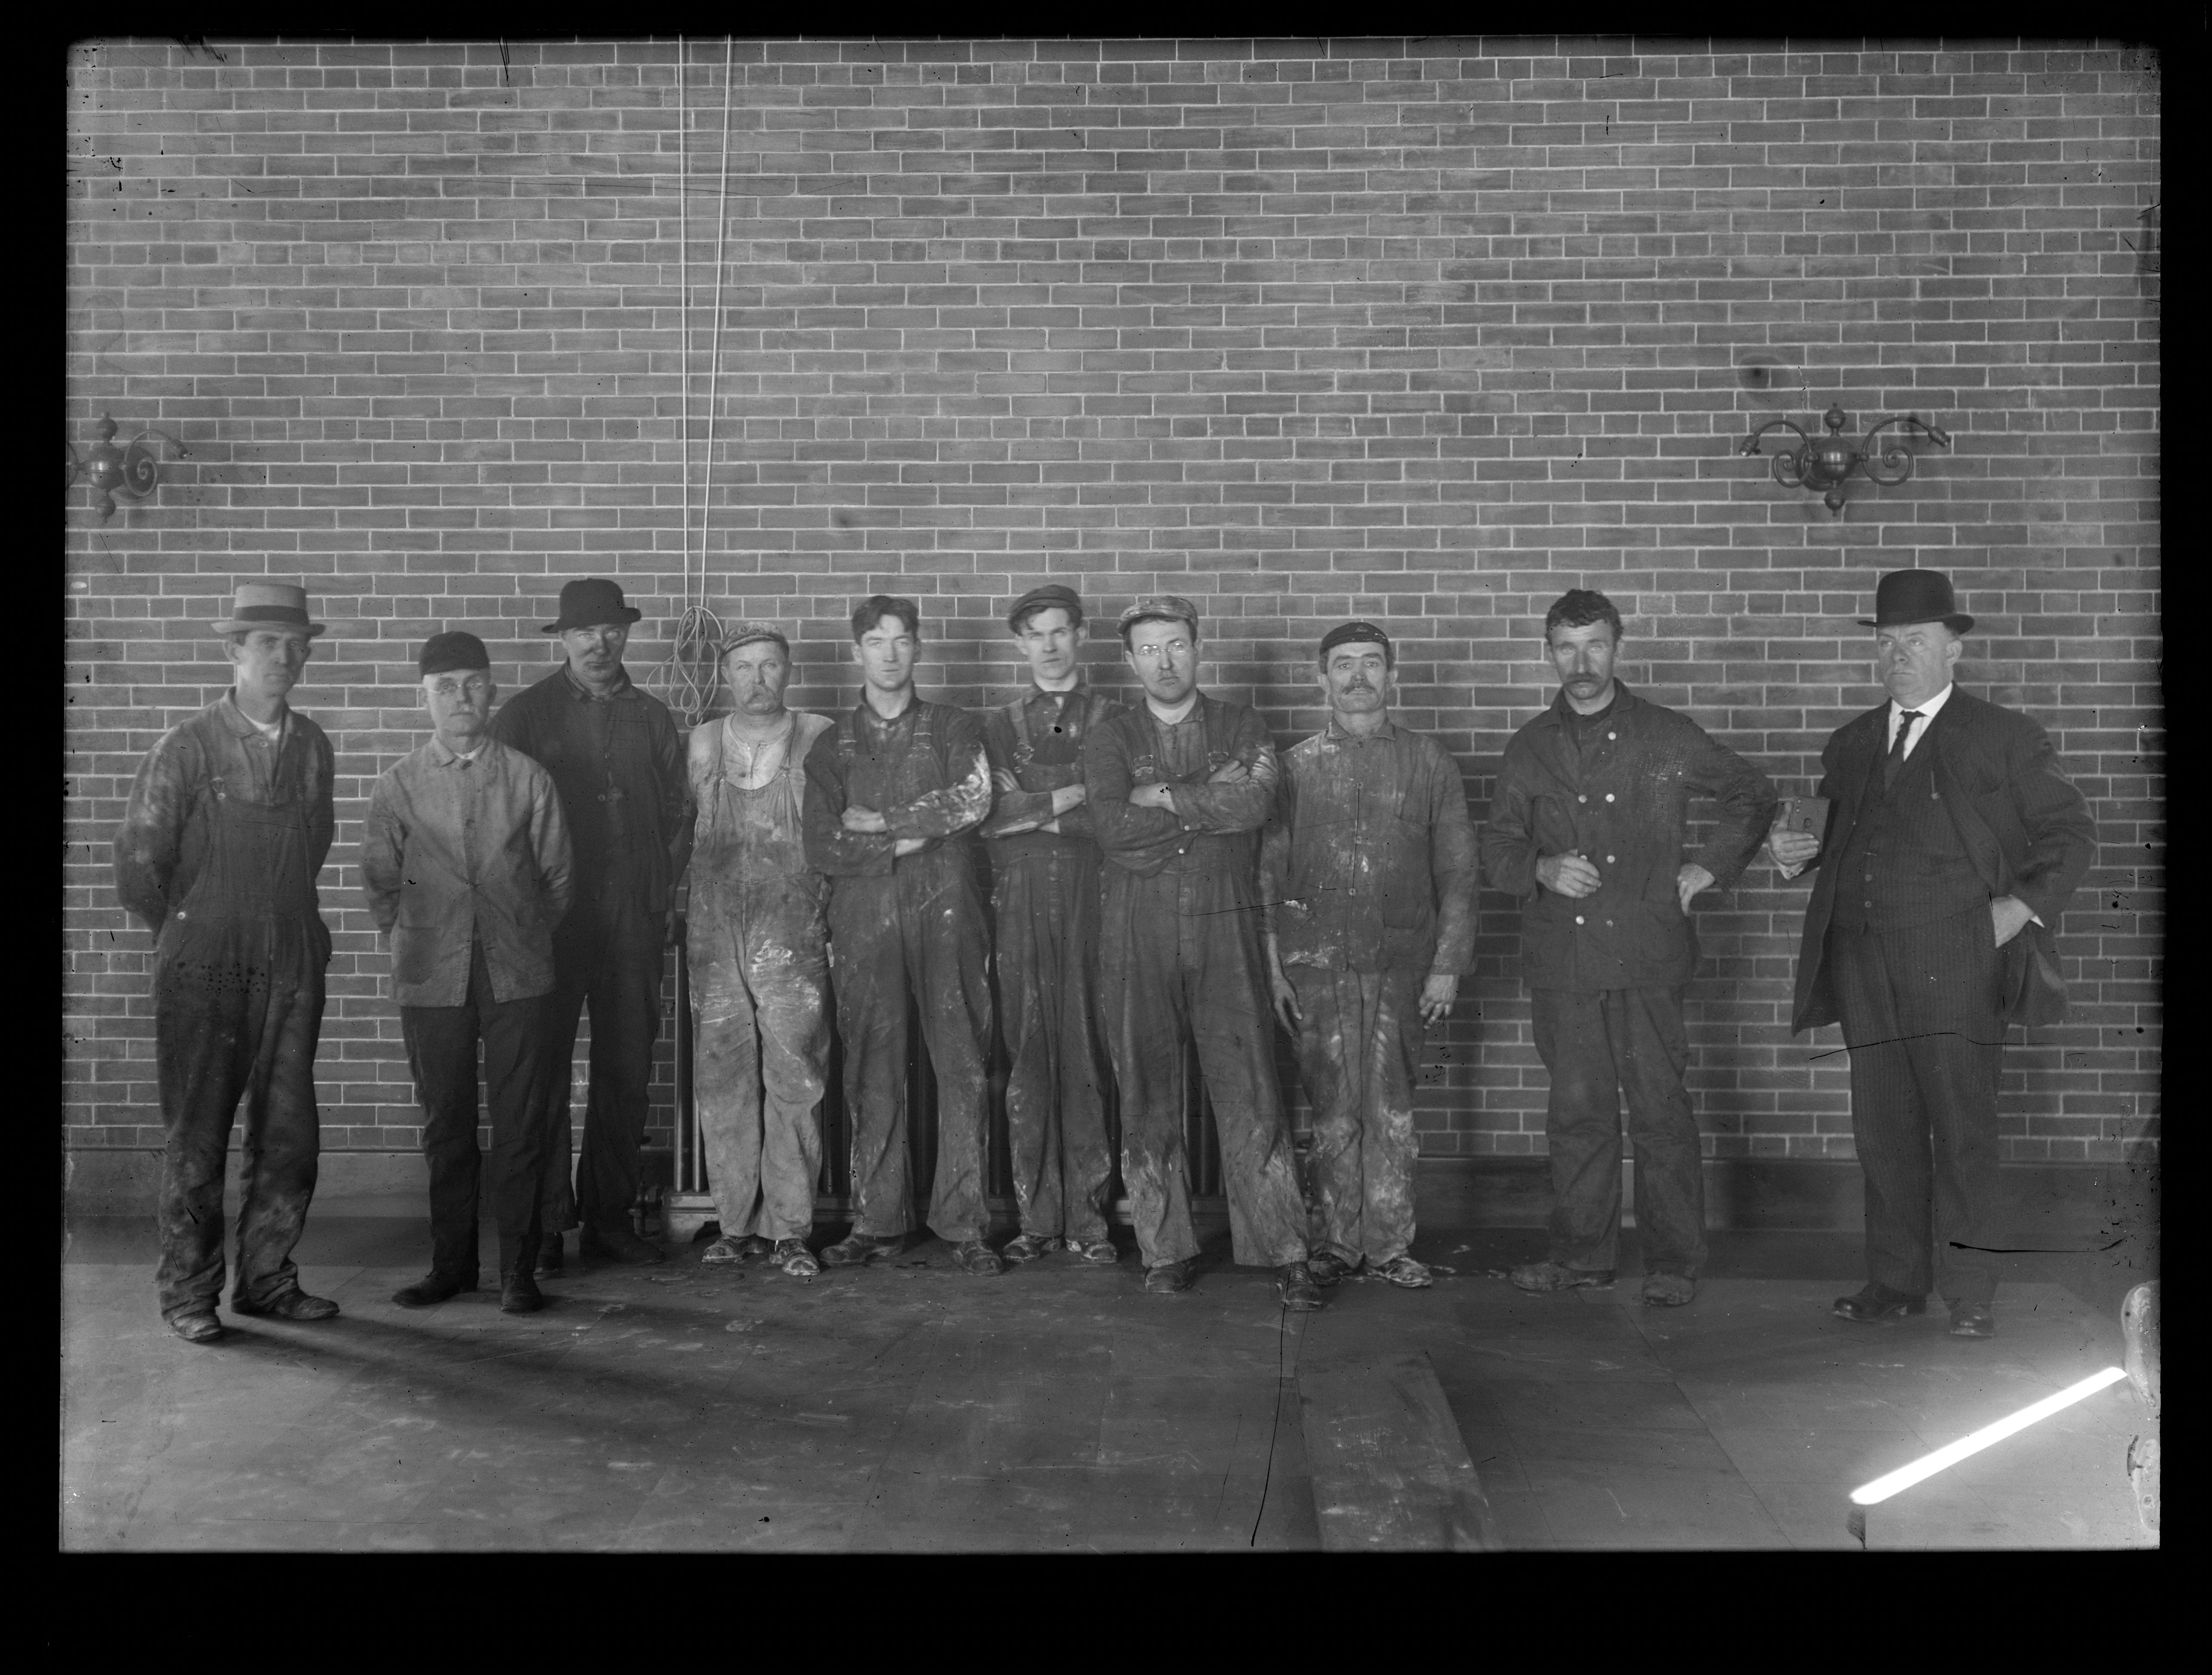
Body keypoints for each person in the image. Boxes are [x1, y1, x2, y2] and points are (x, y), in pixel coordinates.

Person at [1770, 570, 2096, 1339]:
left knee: (1960, 1128)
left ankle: (1970, 1289)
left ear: (1954, 647)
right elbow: (1835, 837)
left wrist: (2017, 910)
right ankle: (1895, 1279)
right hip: (1862, 963)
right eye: (1885, 643)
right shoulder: (1850, 743)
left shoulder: (2004, 737)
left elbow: (2071, 834)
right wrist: (1793, 852)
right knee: (1881, 1127)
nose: (1896, 656)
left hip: (1956, 962)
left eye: (1914, 641)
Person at [1479, 589, 1776, 1307]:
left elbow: (1751, 794)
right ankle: (1582, 1254)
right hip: (1565, 964)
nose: (1581, 663)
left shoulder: (1665, 736)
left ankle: (1673, 1262)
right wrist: (1542, 869)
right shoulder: (1529, 747)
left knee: (1659, 1109)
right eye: (1565, 647)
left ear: (1618, 647)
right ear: (1548, 652)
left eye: (1595, 646)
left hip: (1646, 956)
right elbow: (1496, 848)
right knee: (1576, 1113)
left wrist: (1707, 867)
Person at [112, 581, 340, 1344]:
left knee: (289, 1133)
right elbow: (139, 867)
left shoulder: (311, 746)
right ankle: (188, 1292)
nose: (285, 657)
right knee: (199, 1133)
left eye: (295, 643)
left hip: (292, 953)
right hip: (206, 962)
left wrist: (279, 928)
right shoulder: (187, 745)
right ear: (234, 652)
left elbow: (314, 847)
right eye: (267, 643)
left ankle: (269, 1281)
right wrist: (191, 933)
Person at [1086, 597, 1323, 1309]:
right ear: (1130, 661)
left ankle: (1283, 1248)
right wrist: (1202, 803)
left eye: (1177, 645)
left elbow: (1254, 806)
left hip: (1226, 926)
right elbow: (1109, 828)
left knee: (1250, 1083)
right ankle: (1166, 1249)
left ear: (1197, 648)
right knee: (1148, 1092)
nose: (1165, 661)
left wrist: (1158, 795)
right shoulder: (1109, 736)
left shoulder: (1239, 724)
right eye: (1150, 650)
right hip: (1138, 928)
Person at [363, 632, 573, 1314]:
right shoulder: (398, 785)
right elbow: (381, 885)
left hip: (518, 972)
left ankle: (518, 1271)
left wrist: (518, 931)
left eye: (474, 684)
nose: (461, 698)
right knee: (446, 1123)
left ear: (492, 690)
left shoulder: (528, 778)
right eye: (445, 686)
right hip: (431, 974)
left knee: (520, 1123)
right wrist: (428, 936)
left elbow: (558, 880)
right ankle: (451, 1265)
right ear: (423, 696)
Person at [1263, 622, 1476, 1290]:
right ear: (1321, 677)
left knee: (1390, 1107)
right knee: (1330, 1109)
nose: (1358, 676)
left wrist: (1447, 963)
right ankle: (1336, 1242)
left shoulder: (1428, 761)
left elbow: (1460, 872)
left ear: (1392, 675)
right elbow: (1266, 880)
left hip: (1401, 966)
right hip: (1316, 968)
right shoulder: (1292, 770)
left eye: (1372, 663)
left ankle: (1388, 1244)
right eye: (1344, 665)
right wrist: (1273, 968)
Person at [491, 578, 693, 1269]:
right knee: (542, 1069)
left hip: (632, 919)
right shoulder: (525, 716)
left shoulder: (652, 717)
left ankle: (608, 1217)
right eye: (584, 632)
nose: (599, 643)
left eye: (611, 630)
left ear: (627, 634)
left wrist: (657, 893)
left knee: (626, 1068)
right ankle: (546, 1225)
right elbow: (500, 820)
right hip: (552, 922)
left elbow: (679, 816)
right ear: (564, 639)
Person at [802, 596, 1002, 1276]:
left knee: (962, 1060)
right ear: (857, 651)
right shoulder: (833, 743)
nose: (889, 653)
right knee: (871, 1066)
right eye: (875, 641)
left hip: (948, 908)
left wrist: (881, 821)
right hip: (864, 917)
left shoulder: (953, 726)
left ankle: (965, 1221)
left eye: (902, 640)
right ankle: (876, 1219)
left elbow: (973, 799)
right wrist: (909, 841)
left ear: (919, 649)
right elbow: (823, 842)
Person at [978, 584, 1124, 1266]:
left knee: (1088, 1053)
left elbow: (1118, 809)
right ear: (1020, 643)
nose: (1049, 644)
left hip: (1097, 898)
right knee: (1029, 1056)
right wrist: (1070, 797)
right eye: (1036, 634)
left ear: (1081, 634)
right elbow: (991, 814)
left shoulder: (1113, 718)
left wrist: (1035, 803)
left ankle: (1090, 1221)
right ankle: (1037, 1219)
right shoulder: (998, 724)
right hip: (1019, 897)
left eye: (1061, 631)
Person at [685, 625, 833, 1280]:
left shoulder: (818, 734)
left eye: (769, 665)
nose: (757, 679)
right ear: (727, 676)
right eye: (743, 667)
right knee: (722, 1078)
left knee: (796, 1077)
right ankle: (736, 1223)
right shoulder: (704, 741)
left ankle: (792, 1229)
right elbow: (691, 827)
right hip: (715, 933)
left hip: (793, 927)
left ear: (788, 671)